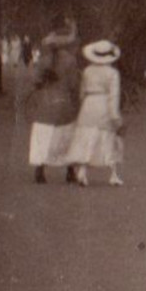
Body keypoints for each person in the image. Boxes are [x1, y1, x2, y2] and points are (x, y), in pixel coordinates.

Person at [68, 40, 124, 186]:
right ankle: (113, 174)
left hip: (88, 104)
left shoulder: (87, 71)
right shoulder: (112, 73)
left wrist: (83, 105)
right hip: (104, 105)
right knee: (107, 138)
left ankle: (82, 171)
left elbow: (82, 92)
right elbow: (114, 96)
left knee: (87, 139)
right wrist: (115, 117)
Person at [24, 66, 78, 183]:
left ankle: (39, 170)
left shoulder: (38, 93)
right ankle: (70, 171)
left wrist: (33, 119)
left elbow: (29, 109)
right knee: (66, 145)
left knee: (41, 145)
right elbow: (70, 108)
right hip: (64, 122)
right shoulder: (63, 93)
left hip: (44, 122)